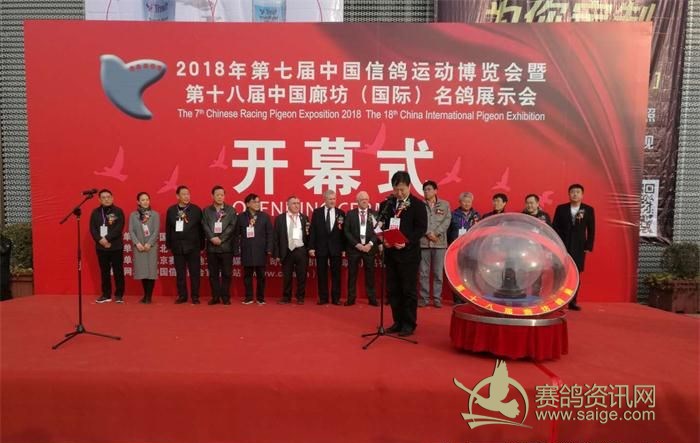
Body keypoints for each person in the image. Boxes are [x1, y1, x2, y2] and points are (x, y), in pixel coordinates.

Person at [380, 171, 428, 337]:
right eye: (396, 189)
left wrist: (406, 242)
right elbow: (382, 225)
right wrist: (384, 239)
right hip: (391, 254)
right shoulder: (387, 204)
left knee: (408, 290)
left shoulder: (418, 205)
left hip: (409, 255)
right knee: (393, 290)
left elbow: (421, 229)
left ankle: (409, 323)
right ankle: (397, 322)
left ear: (409, 187)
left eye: (402, 189)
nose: (399, 193)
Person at [552, 184, 595, 311]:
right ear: (569, 194)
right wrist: (555, 244)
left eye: (577, 192)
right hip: (562, 245)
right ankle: (557, 301)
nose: (575, 194)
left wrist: (588, 245)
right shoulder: (561, 208)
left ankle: (572, 302)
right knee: (560, 273)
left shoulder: (588, 209)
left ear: (582, 195)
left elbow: (591, 229)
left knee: (576, 274)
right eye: (572, 192)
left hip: (579, 246)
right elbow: (555, 227)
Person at [165, 185, 204, 304]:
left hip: (193, 246)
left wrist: (202, 245)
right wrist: (169, 245)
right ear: (177, 196)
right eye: (183, 194)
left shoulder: (196, 210)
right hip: (177, 246)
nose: (187, 196)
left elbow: (201, 230)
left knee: (195, 273)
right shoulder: (171, 210)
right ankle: (182, 295)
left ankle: (195, 296)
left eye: (188, 194)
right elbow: (168, 228)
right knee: (180, 273)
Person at [309, 189, 346, 305]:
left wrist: (344, 249)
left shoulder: (341, 213)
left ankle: (336, 298)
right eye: (330, 199)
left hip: (336, 248)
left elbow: (343, 233)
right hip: (321, 248)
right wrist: (311, 247)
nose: (332, 201)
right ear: (324, 199)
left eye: (334, 199)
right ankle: (323, 298)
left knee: (336, 275)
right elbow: (313, 231)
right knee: (322, 274)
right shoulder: (317, 212)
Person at [202, 185, 237, 305]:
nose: (220, 197)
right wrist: (212, 237)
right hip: (212, 248)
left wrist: (221, 239)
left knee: (227, 274)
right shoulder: (207, 210)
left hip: (226, 247)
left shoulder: (231, 210)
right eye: (217, 195)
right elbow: (205, 225)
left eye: (222, 195)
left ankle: (225, 297)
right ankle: (215, 297)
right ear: (212, 196)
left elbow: (232, 227)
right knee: (213, 274)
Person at [419, 180, 451, 308]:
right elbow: (419, 221)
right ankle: (424, 298)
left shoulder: (445, 204)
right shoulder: (420, 205)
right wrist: (428, 233)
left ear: (435, 191)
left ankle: (437, 298)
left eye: (429, 189)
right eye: (425, 190)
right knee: (423, 273)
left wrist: (436, 233)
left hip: (439, 243)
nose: (426, 192)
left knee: (438, 273)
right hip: (424, 243)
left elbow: (447, 221)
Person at [273, 196, 310, 305]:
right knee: (287, 276)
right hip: (287, 251)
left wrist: (308, 249)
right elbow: (276, 238)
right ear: (288, 205)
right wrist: (277, 254)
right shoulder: (280, 219)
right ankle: (286, 297)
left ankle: (300, 297)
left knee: (302, 276)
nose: (296, 205)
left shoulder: (304, 218)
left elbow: (308, 235)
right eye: (294, 203)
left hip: (301, 250)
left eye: (298, 203)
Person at [90, 189, 126, 303]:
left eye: (108, 197)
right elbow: (93, 229)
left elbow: (119, 228)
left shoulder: (118, 211)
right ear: (99, 200)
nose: (106, 199)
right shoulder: (95, 212)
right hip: (101, 247)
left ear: (112, 198)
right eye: (104, 197)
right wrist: (100, 240)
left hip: (116, 246)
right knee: (104, 272)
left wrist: (107, 239)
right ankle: (106, 294)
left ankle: (119, 295)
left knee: (118, 271)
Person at [344, 191, 379, 306]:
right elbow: (346, 231)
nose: (365, 201)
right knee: (352, 274)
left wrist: (370, 244)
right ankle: (351, 298)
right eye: (362, 199)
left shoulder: (374, 214)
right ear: (357, 201)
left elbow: (377, 231)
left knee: (370, 274)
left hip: (369, 248)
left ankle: (372, 299)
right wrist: (357, 244)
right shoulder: (350, 214)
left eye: (366, 199)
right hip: (354, 249)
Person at [237, 193, 273, 305]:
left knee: (261, 276)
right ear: (247, 204)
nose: (257, 204)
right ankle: (249, 297)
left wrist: (269, 248)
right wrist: (237, 248)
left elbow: (270, 234)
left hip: (261, 250)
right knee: (247, 276)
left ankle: (260, 298)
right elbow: (236, 234)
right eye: (254, 202)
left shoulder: (264, 216)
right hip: (247, 249)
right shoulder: (241, 217)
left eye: (258, 202)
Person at [128, 192, 160, 304]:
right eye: (142, 200)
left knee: (151, 271)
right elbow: (131, 231)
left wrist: (149, 243)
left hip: (151, 247)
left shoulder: (155, 215)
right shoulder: (133, 215)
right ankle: (145, 295)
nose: (145, 202)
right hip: (139, 247)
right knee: (142, 270)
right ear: (138, 202)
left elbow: (156, 231)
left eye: (147, 199)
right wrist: (137, 243)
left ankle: (149, 297)